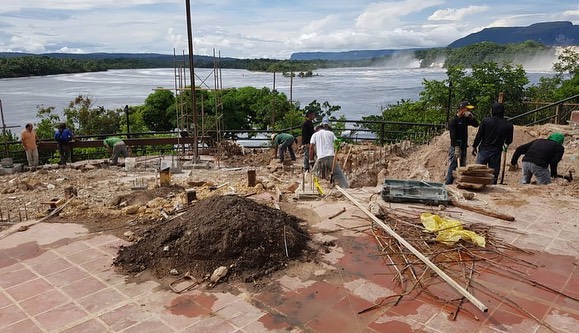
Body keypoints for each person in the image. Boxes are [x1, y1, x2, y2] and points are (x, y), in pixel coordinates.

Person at [472, 102, 514, 184]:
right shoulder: (508, 125)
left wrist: (474, 146)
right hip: (496, 151)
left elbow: (479, 135)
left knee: (479, 171)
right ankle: (492, 188)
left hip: (483, 150)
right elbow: (509, 140)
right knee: (493, 174)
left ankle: (478, 186)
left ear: (492, 111)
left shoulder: (485, 121)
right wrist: (504, 146)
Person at [445, 100, 479, 184]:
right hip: (456, 147)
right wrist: (456, 147)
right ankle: (448, 183)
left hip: (463, 147)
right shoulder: (454, 121)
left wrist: (472, 118)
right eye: (467, 109)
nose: (469, 111)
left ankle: (460, 183)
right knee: (453, 165)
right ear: (462, 109)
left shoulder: (465, 120)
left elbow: (476, 124)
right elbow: (452, 136)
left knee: (462, 166)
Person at [309, 118, 349, 188]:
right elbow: (337, 143)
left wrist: (311, 159)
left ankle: (314, 188)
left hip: (321, 157)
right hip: (331, 156)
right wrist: (336, 149)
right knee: (339, 174)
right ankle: (345, 187)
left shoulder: (315, 135)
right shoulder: (331, 133)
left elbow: (311, 147)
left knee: (314, 174)